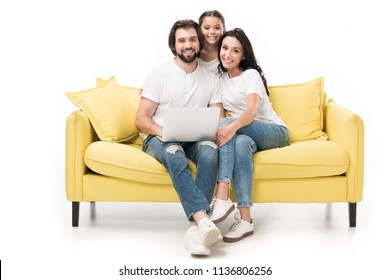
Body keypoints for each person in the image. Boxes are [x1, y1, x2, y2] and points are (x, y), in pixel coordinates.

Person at [135, 19, 225, 256]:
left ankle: (196, 230)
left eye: (192, 39)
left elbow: (219, 115)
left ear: (199, 43)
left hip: (195, 138)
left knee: (210, 149)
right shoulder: (159, 73)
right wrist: (160, 130)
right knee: (175, 154)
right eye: (182, 40)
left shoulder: (211, 77)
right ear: (174, 46)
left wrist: (214, 127)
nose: (188, 45)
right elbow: (141, 118)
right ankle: (203, 220)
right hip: (160, 138)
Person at [209, 28, 290, 242]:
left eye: (235, 50)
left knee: (229, 125)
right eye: (225, 48)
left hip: (273, 131)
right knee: (241, 143)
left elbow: (252, 111)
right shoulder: (219, 79)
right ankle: (246, 220)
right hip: (246, 133)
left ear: (243, 55)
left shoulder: (250, 75)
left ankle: (222, 193)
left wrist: (230, 126)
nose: (228, 54)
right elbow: (219, 118)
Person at [197, 10, 226, 75]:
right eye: (207, 28)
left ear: (223, 30)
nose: (212, 31)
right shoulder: (193, 53)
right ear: (199, 30)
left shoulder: (227, 55)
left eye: (217, 28)